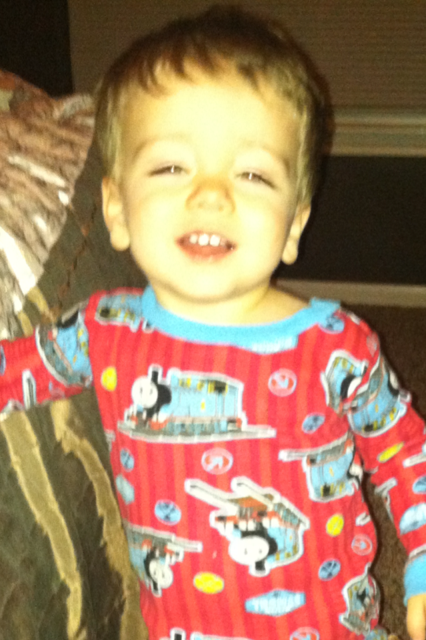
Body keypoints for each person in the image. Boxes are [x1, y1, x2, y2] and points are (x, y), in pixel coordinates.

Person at [1, 5, 425, 639]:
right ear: (115, 210)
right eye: (172, 167)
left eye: (251, 174)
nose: (211, 194)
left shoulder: (337, 347)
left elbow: (406, 451)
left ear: (293, 226)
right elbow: (17, 371)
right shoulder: (99, 330)